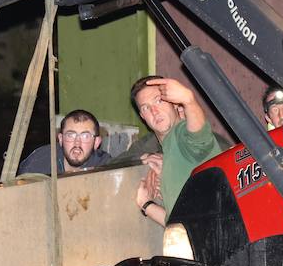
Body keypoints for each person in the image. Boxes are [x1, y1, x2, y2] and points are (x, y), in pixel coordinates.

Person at [130, 76, 218, 225]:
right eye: (146, 107)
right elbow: (180, 225)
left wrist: (188, 100)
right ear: (142, 116)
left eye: (159, 100)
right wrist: (146, 204)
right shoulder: (169, 152)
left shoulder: (182, 135)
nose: (154, 111)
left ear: (175, 104)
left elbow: (200, 137)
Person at [16, 109, 111, 176]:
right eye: (70, 135)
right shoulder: (37, 166)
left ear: (96, 142)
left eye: (85, 136)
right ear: (60, 139)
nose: (77, 143)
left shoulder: (106, 167)